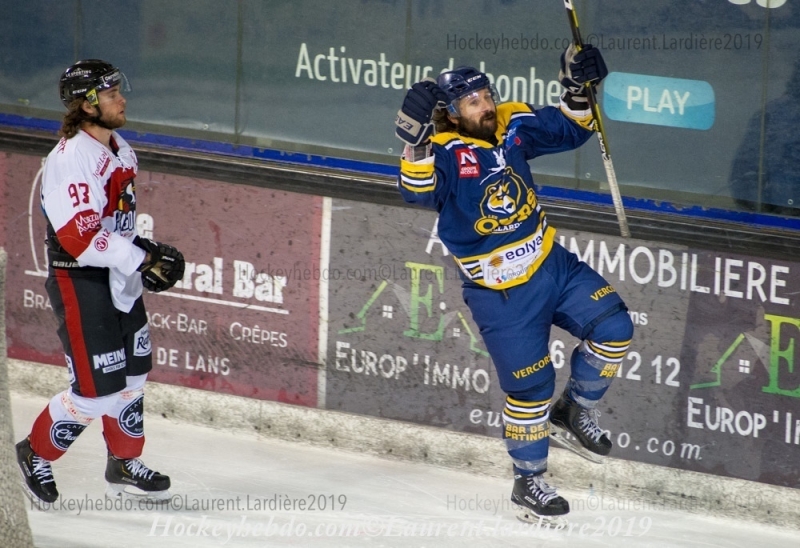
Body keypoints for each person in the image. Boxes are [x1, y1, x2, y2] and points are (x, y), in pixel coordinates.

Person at [394, 45, 634, 521]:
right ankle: (529, 480)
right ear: (451, 114)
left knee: (615, 328)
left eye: (487, 95)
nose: (486, 106)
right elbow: (416, 193)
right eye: (473, 102)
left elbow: (572, 128)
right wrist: (415, 140)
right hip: (500, 293)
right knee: (531, 388)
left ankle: (574, 410)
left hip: (552, 265)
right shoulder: (445, 151)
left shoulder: (512, 123)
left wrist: (578, 87)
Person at [15, 59, 185, 505]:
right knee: (94, 394)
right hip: (81, 280)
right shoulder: (71, 159)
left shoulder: (119, 148)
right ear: (87, 105)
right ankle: (34, 452)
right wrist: (142, 258)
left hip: (119, 277)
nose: (121, 99)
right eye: (111, 94)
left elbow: (112, 222)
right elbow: (79, 237)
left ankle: (123, 462)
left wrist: (140, 252)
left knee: (134, 376)